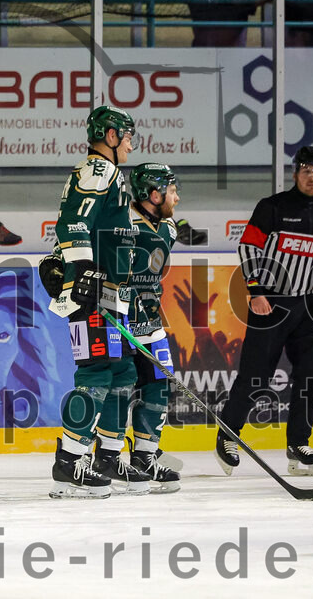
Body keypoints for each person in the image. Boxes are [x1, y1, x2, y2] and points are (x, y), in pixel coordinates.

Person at [38, 105, 152, 499]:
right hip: (93, 293)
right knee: (97, 374)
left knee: (122, 373)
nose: (132, 144)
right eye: (128, 136)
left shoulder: (111, 174)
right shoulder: (99, 169)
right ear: (111, 135)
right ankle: (69, 462)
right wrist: (83, 270)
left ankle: (106, 457)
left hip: (112, 294)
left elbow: (99, 228)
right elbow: (73, 221)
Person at [216, 146, 313, 477]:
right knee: (256, 376)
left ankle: (299, 444)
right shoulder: (273, 207)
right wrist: (255, 290)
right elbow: (248, 246)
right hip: (271, 302)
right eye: (306, 170)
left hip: (309, 307)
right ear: (295, 173)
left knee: (311, 377)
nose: (312, 176)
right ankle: (228, 435)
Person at [124, 163, 185, 493]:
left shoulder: (169, 228)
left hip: (150, 321)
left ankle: (145, 456)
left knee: (159, 385)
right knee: (114, 390)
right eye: (172, 191)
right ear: (154, 195)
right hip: (116, 319)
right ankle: (104, 456)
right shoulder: (119, 220)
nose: (178, 198)